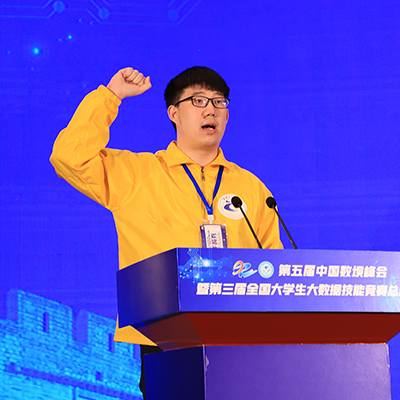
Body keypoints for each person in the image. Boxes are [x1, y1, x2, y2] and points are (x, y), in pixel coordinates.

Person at [49, 66, 283, 397]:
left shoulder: (252, 188)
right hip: (166, 337)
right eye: (198, 101)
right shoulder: (138, 175)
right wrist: (111, 96)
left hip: (240, 343)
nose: (211, 110)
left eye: (219, 102)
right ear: (174, 113)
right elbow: (69, 157)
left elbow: (273, 265)